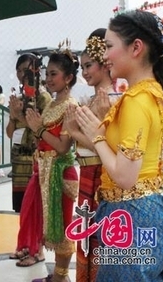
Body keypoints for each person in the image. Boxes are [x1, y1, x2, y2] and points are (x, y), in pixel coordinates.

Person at [75, 10, 163, 281]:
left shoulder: (137, 100)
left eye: (109, 47)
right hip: (145, 213)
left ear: (136, 48)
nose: (105, 56)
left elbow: (125, 177)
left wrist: (97, 135)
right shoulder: (153, 93)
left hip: (131, 218)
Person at [15, 48, 79, 282]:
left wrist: (39, 128)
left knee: (61, 227)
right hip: (44, 171)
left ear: (68, 78)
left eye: (54, 74)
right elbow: (41, 135)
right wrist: (22, 118)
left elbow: (62, 146)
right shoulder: (53, 104)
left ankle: (62, 278)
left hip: (60, 173)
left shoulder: (70, 106)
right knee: (49, 224)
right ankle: (57, 276)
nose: (48, 79)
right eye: (48, 74)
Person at [64, 28, 120, 282]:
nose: (85, 72)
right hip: (87, 173)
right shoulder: (92, 99)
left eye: (89, 66)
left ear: (104, 65)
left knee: (95, 240)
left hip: (101, 175)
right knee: (87, 238)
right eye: (82, 67)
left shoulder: (111, 98)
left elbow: (105, 145)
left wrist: (74, 133)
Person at [7, 53, 51, 212]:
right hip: (19, 158)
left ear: (36, 70)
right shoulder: (19, 98)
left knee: (36, 207)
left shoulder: (43, 98)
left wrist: (18, 115)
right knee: (22, 208)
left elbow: (41, 130)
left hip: (35, 157)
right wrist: (13, 117)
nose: (21, 74)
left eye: (25, 69)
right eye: (18, 70)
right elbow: (9, 133)